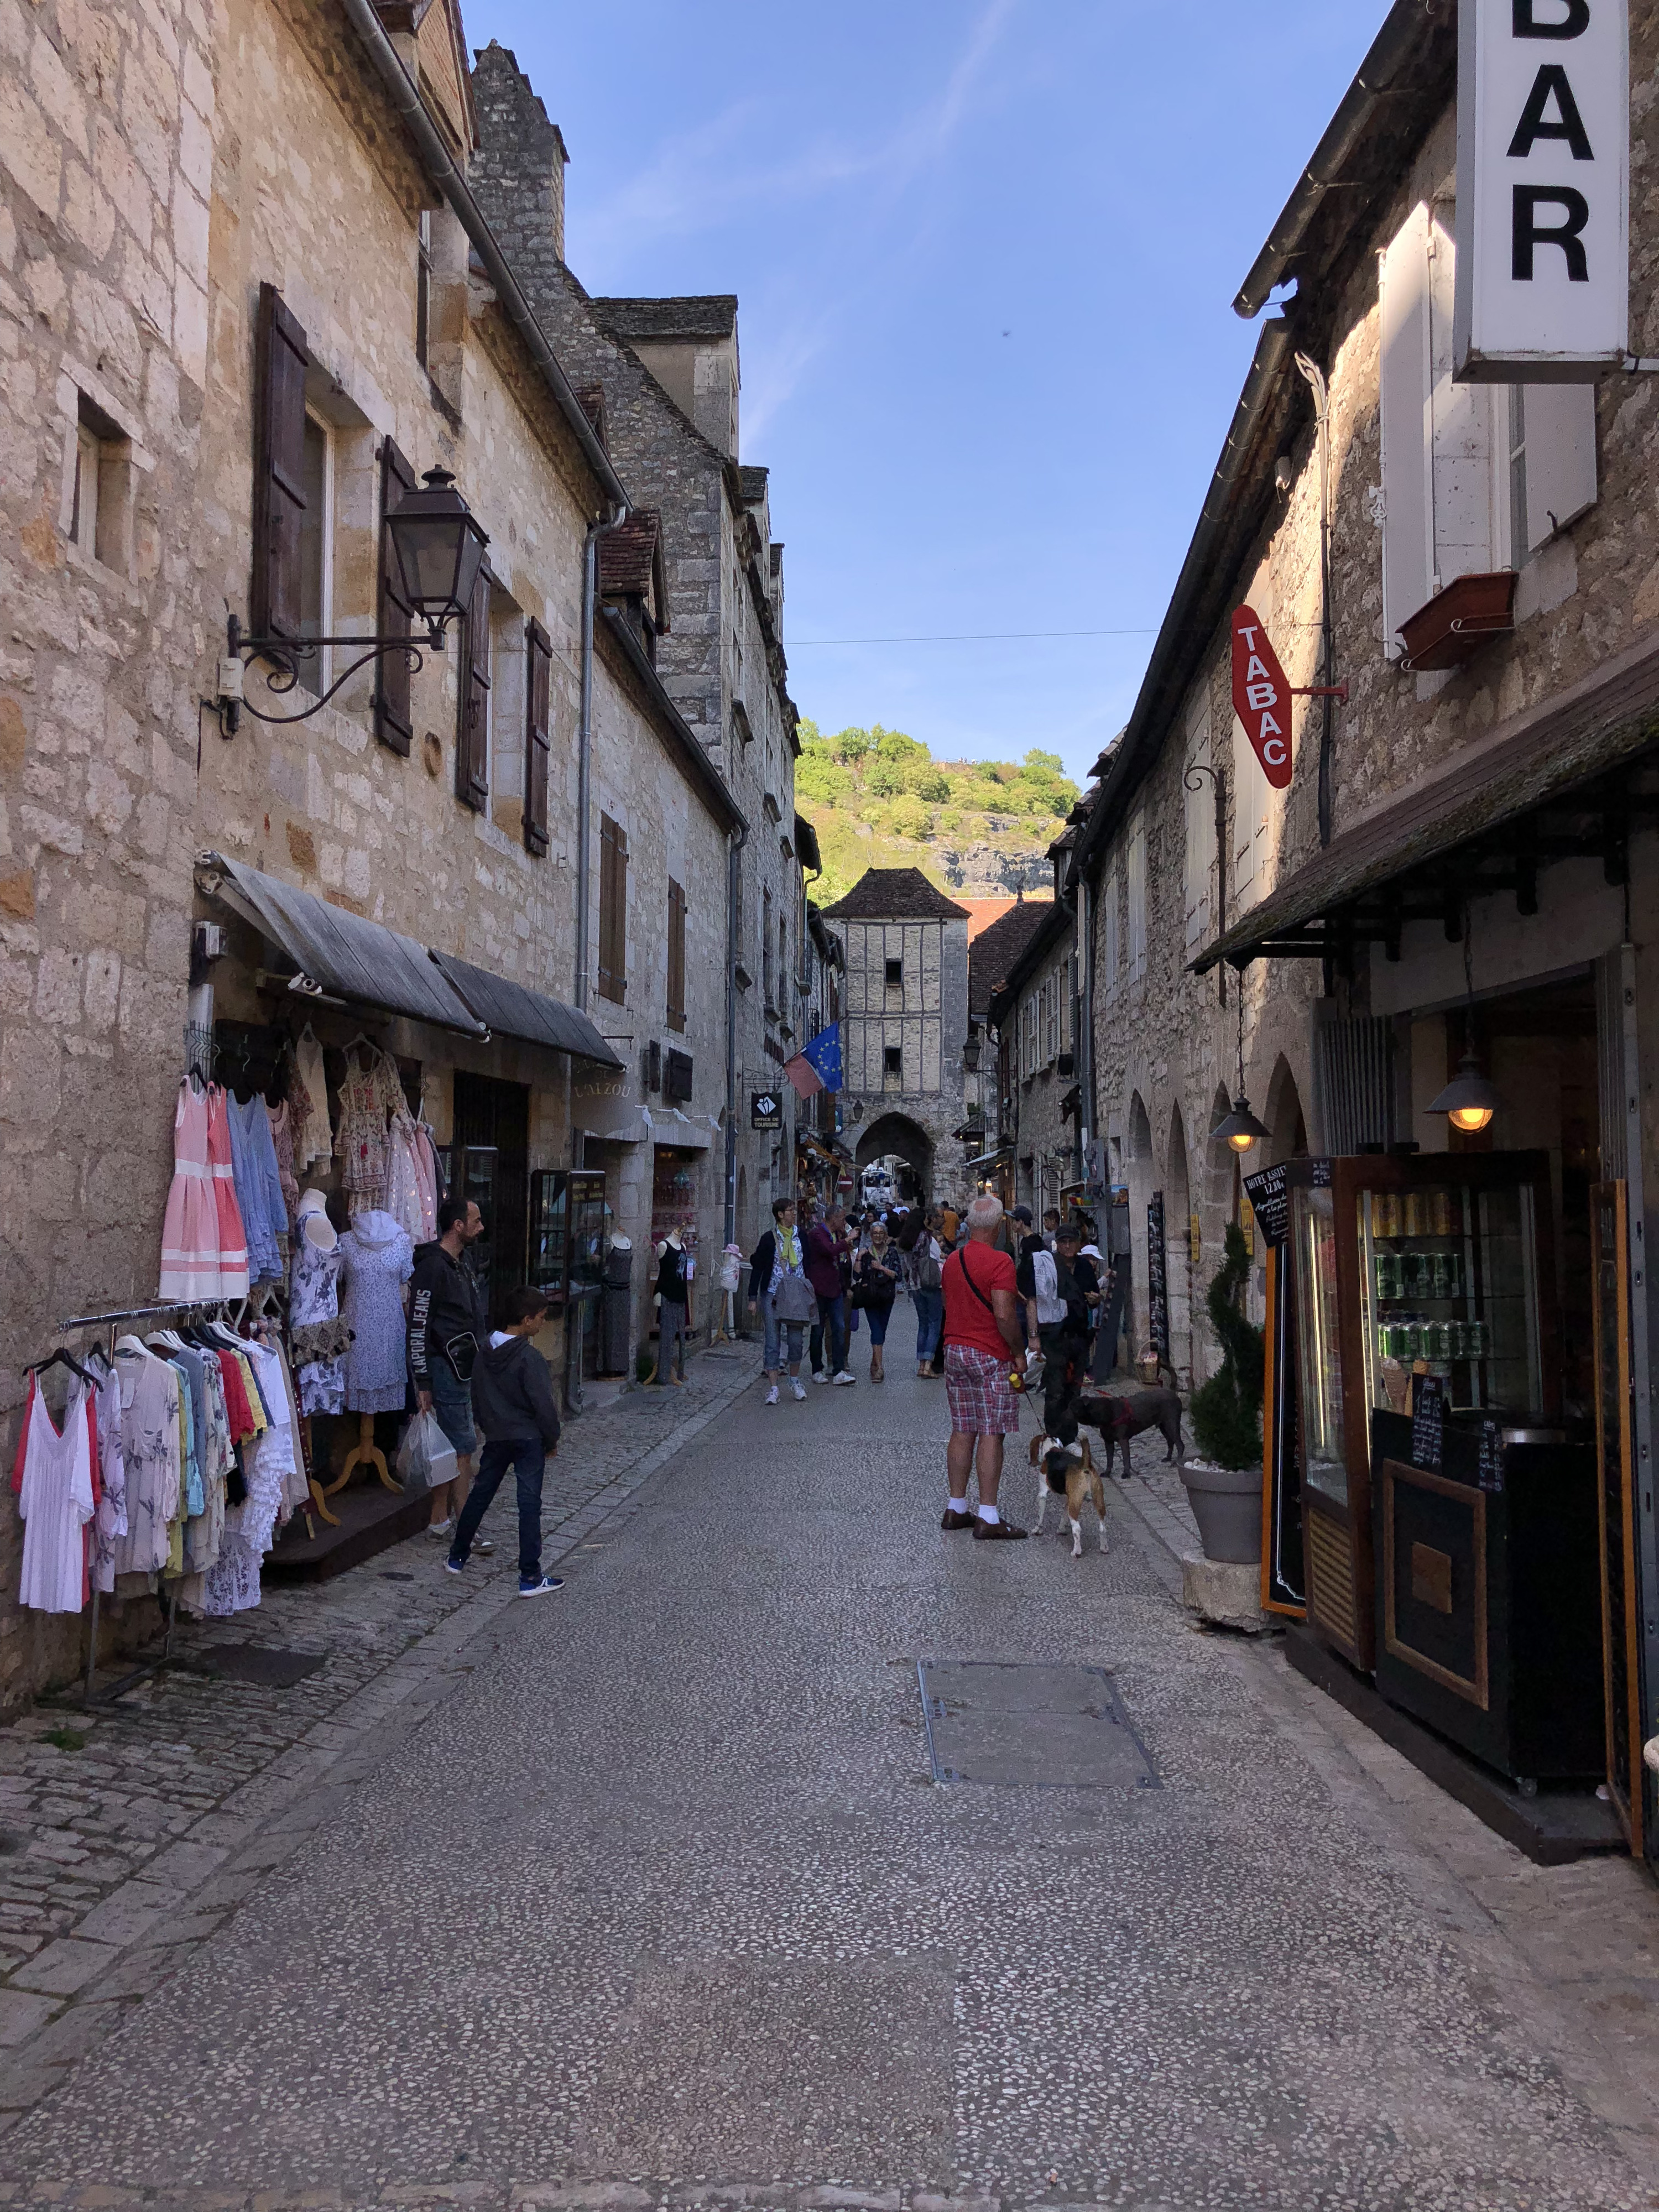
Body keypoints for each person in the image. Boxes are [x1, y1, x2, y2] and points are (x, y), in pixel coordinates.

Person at [446, 1287, 563, 1597]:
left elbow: (478, 1395)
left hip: (497, 1436)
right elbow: (544, 1406)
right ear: (526, 1320)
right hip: (527, 1438)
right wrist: (552, 1440)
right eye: (540, 1318)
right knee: (529, 1504)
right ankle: (530, 1576)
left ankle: (457, 1556)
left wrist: (488, 1426)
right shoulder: (529, 1357)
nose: (541, 1324)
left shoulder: (484, 1351)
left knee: (480, 1495)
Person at [940, 1192, 1027, 1541]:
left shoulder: (952, 1260)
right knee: (992, 1430)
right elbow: (1004, 1314)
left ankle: (956, 1507)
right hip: (989, 1353)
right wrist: (1018, 1352)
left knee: (963, 1428)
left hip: (954, 1349)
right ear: (997, 1225)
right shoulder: (1001, 1262)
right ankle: (988, 1514)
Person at [409, 1196, 488, 1545]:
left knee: (451, 1446)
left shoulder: (462, 1262)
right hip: (445, 1368)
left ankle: (439, 1519)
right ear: (458, 1226)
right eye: (476, 1221)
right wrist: (423, 1380)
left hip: (465, 1366)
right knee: (463, 1446)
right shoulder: (433, 1268)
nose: (481, 1227)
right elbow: (418, 1327)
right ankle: (466, 1527)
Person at [1020, 1218, 1095, 1437]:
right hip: (1054, 1337)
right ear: (1057, 1244)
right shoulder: (1047, 1265)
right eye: (1063, 1242)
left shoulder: (1084, 1267)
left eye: (1072, 1242)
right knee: (1055, 1390)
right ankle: (1053, 1438)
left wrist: (1095, 1299)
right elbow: (1033, 1299)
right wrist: (1033, 1337)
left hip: (1079, 1337)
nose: (1068, 1246)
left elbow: (1091, 1295)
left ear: (1078, 1244)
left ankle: (1070, 1436)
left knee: (1075, 1390)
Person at [748, 1197, 812, 1404]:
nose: (794, 1213)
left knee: (796, 1340)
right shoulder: (769, 1238)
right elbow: (758, 1267)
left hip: (796, 1295)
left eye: (794, 1210)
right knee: (772, 1341)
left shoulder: (801, 1236)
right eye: (790, 1210)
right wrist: (752, 1298)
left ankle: (794, 1381)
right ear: (780, 1214)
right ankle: (774, 1388)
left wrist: (811, 1292)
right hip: (773, 1293)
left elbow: (809, 1264)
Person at [805, 1204, 854, 1384]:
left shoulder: (837, 1235)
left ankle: (838, 1369)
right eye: (842, 1218)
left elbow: (841, 1261)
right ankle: (816, 1369)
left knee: (839, 1328)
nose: (844, 1222)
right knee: (818, 1330)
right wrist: (847, 1240)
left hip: (835, 1289)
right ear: (833, 1218)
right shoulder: (818, 1234)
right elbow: (830, 1250)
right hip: (819, 1290)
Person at [854, 1220, 899, 1382]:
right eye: (875, 1233)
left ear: (885, 1235)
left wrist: (881, 1268)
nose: (878, 1236)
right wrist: (859, 1258)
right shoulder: (866, 1253)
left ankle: (875, 1362)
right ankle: (880, 1370)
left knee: (882, 1331)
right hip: (870, 1298)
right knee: (876, 1330)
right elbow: (857, 1276)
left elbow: (898, 1275)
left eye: (881, 1233)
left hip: (887, 1297)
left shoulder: (892, 1253)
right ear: (871, 1236)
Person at [907, 1212, 945, 1379]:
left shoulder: (910, 1238)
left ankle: (921, 1364)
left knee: (923, 1324)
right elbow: (936, 1258)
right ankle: (928, 1365)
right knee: (934, 1323)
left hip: (914, 1284)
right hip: (930, 1283)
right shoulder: (928, 1238)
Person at [654, 1229, 690, 1385]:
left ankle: (680, 1371)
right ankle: (663, 1373)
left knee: (681, 1336)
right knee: (667, 1335)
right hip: (666, 1293)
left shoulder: (684, 1247)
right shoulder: (663, 1246)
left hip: (681, 1294)